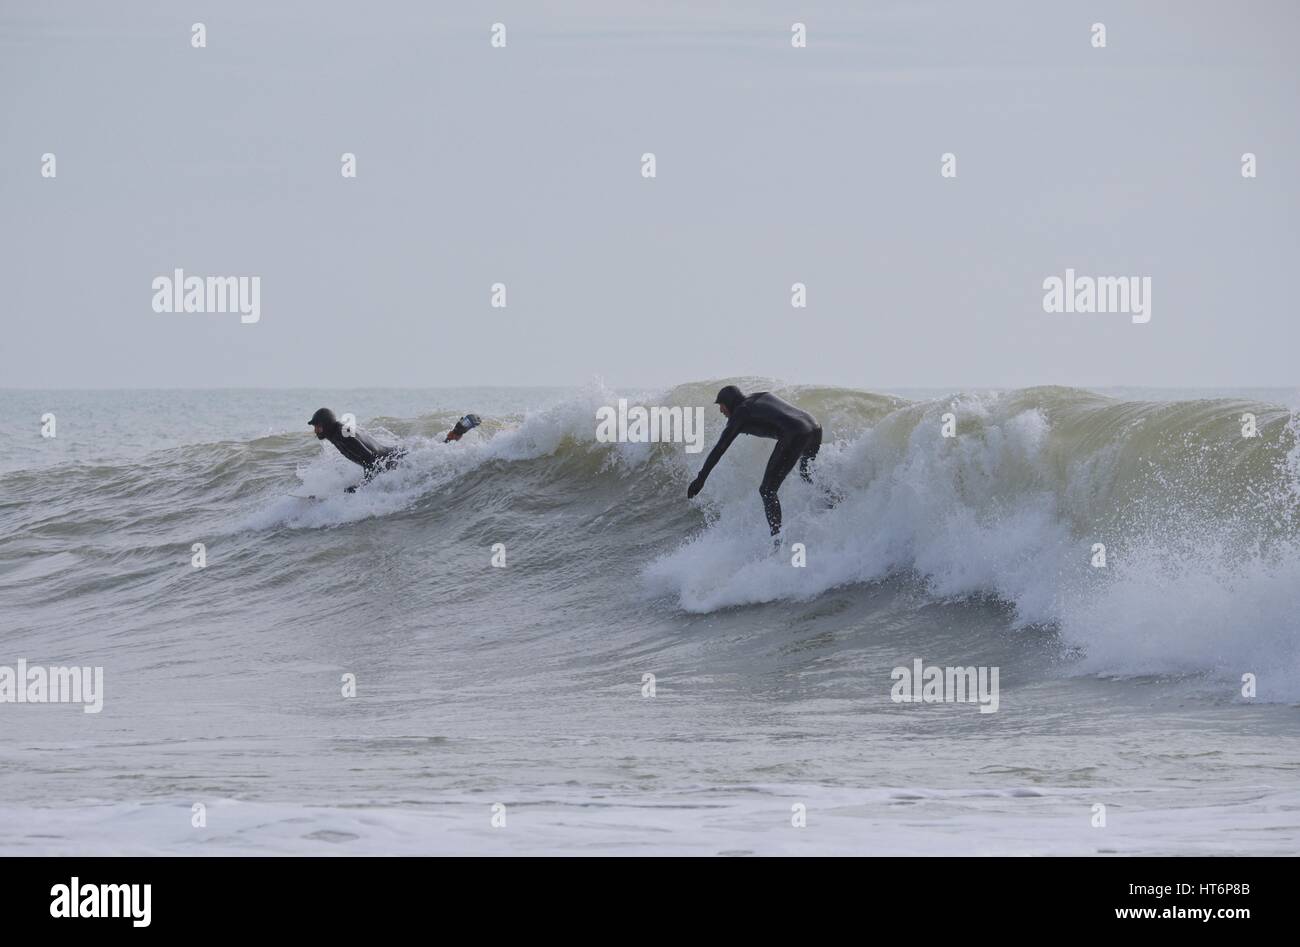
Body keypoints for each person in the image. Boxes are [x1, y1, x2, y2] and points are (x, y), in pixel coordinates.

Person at [687, 385, 822, 536]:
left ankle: (776, 539)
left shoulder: (741, 412)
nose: (721, 411)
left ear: (729, 402)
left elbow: (720, 448)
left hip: (796, 433)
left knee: (767, 490)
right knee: (807, 475)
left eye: (722, 406)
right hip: (814, 427)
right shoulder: (761, 395)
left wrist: (701, 478)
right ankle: (832, 500)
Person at [308, 409, 479, 493]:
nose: (315, 430)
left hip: (394, 460)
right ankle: (458, 430)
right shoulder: (337, 432)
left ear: (327, 424)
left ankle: (459, 430)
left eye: (317, 426)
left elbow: (371, 461)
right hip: (393, 457)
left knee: (435, 457)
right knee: (435, 453)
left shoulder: (342, 435)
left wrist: (361, 487)